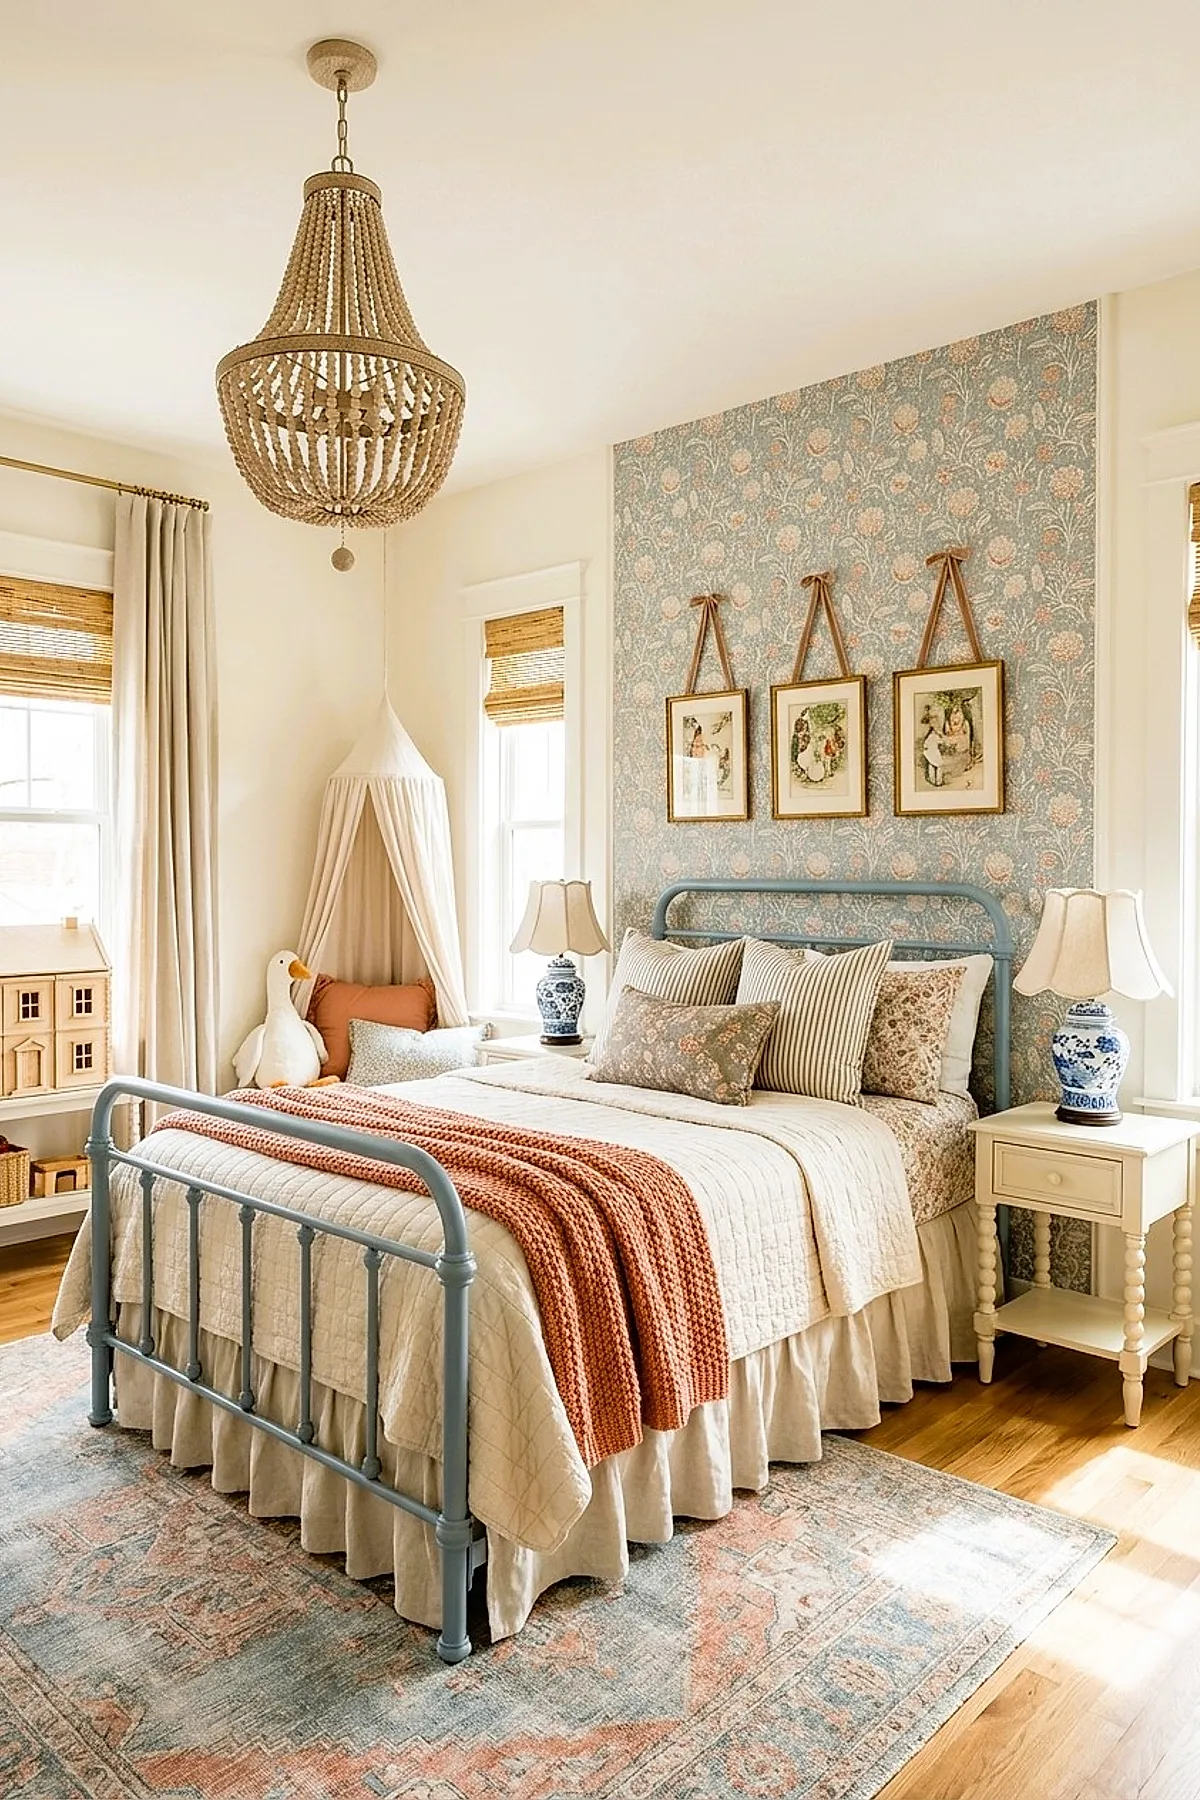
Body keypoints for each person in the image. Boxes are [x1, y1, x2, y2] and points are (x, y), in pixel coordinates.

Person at [921, 709, 944, 788]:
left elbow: (926, 745)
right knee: (937, 765)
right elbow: (940, 742)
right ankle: (937, 781)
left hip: (931, 751)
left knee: (933, 765)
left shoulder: (932, 736)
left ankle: (934, 780)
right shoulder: (932, 736)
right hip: (933, 751)